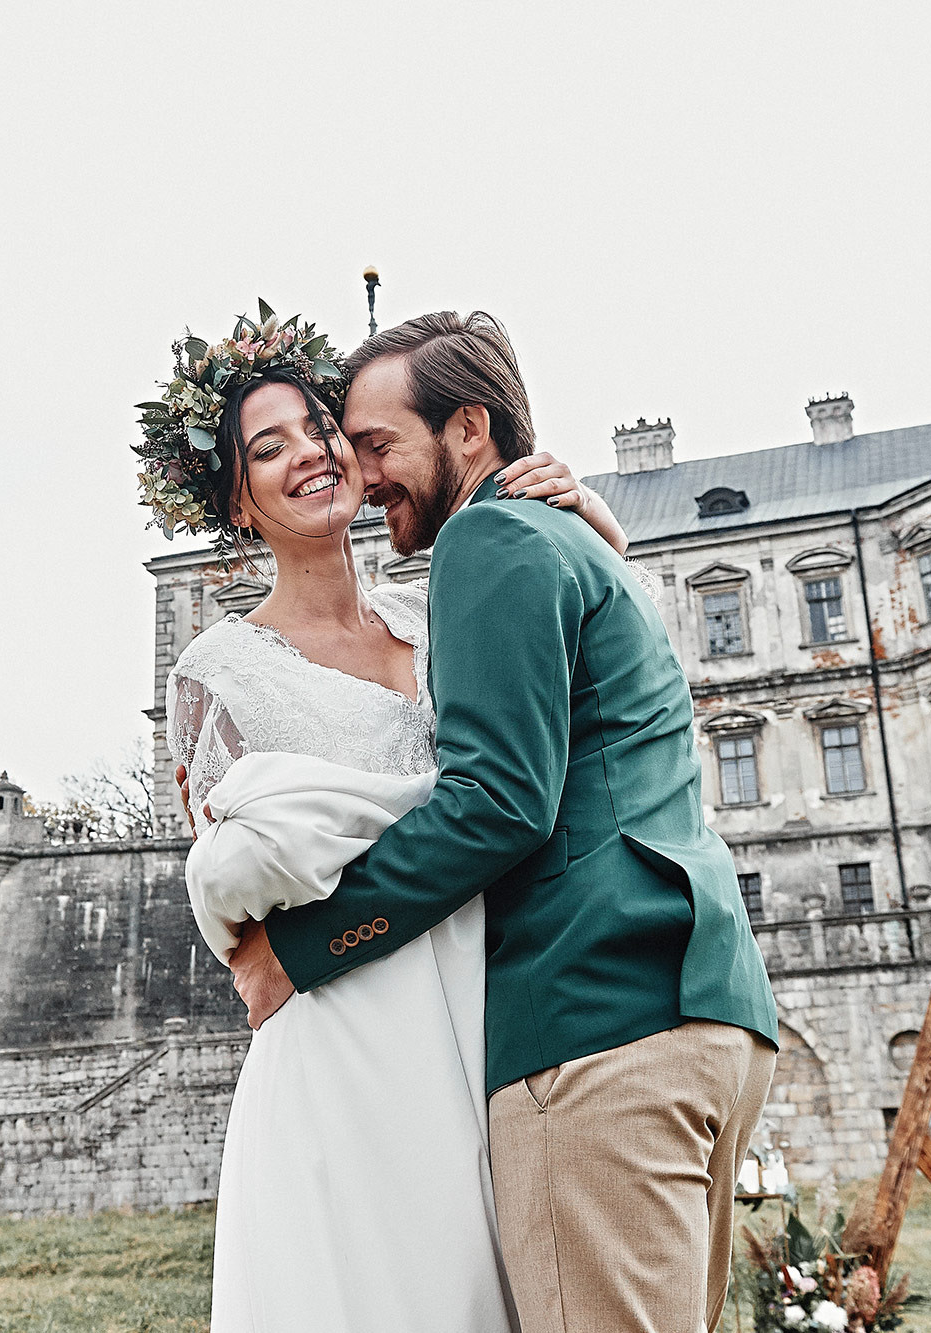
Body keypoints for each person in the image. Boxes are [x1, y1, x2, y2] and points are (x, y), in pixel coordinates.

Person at [226, 311, 779, 1333]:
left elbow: (499, 803)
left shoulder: (484, 537)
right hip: (708, 1010)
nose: (361, 469)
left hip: (595, 1027)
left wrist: (298, 949)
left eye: (377, 443)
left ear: (468, 428)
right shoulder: (580, 542)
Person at [146, 306, 639, 1333]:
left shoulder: (442, 601)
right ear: (236, 500)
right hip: (350, 1040)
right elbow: (230, 901)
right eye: (266, 448)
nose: (311, 457)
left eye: (321, 431)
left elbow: (569, 730)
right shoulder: (216, 673)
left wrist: (588, 518)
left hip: (492, 1011)